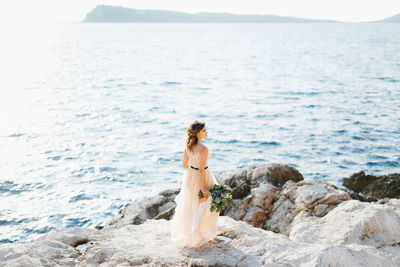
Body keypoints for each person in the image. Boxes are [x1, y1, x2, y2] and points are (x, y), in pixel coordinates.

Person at [170, 120, 220, 248]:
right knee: (206, 203)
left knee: (190, 204)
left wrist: (192, 171)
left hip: (190, 175)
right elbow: (202, 170)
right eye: (204, 131)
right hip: (202, 176)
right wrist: (203, 188)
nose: (206, 132)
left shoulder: (188, 146)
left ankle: (194, 231)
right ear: (197, 133)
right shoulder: (204, 149)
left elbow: (184, 164)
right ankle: (198, 231)